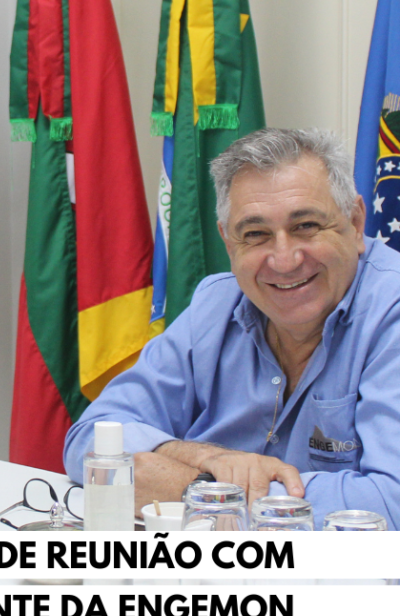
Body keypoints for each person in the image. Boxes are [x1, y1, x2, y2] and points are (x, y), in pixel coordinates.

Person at [63, 127, 400, 529]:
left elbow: (391, 502)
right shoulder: (215, 303)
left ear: (356, 223)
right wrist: (206, 458)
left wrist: (197, 491)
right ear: (228, 242)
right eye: (255, 234)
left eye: (306, 226)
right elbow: (90, 440)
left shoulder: (391, 309)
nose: (284, 260)